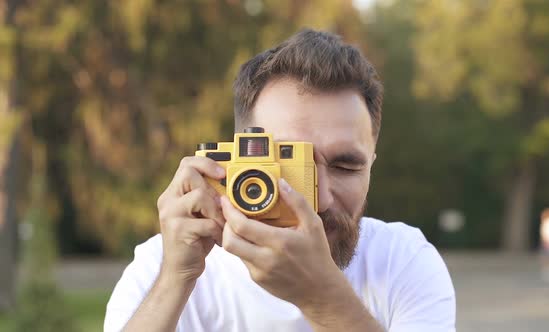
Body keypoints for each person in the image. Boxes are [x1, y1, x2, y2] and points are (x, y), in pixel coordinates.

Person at [104, 29, 456, 332]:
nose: (319, 201)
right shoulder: (165, 265)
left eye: (345, 167)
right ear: (236, 158)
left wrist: (322, 300)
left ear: (371, 165)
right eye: (287, 167)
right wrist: (174, 281)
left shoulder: (402, 260)